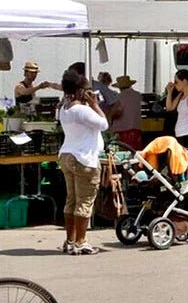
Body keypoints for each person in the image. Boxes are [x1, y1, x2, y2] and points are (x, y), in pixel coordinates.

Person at [57, 70, 107, 255]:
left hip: (67, 155)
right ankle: (81, 241)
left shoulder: (64, 108)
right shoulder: (83, 110)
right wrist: (95, 104)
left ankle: (70, 240)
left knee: (71, 200)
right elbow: (104, 124)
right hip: (84, 159)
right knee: (85, 201)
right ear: (79, 90)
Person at [109, 75, 142, 151]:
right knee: (135, 151)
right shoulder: (138, 95)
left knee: (123, 150)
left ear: (119, 87)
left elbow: (117, 111)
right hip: (137, 127)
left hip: (122, 128)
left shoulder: (118, 97)